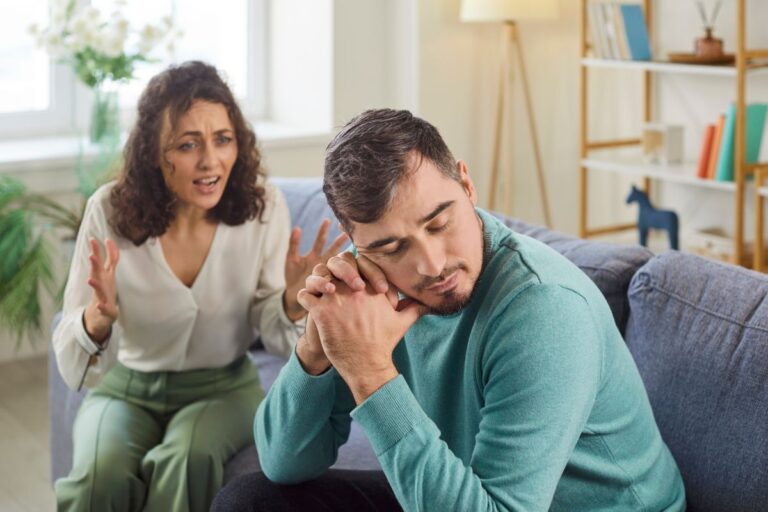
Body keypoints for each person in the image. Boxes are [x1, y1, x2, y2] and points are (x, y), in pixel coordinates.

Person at [213, 108, 687, 511]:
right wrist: (317, 349)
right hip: (464, 493)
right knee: (250, 502)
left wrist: (371, 374)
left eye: (439, 223)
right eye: (392, 247)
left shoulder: (544, 308)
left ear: (467, 184)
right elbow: (284, 464)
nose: (432, 265)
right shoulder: (368, 291)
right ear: (357, 245)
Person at [52, 61, 346, 512]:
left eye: (222, 139)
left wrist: (290, 301)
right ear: (154, 152)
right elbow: (73, 337)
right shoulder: (108, 210)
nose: (210, 160)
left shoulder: (264, 208)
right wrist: (97, 319)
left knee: (186, 458)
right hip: (125, 387)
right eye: (188, 144)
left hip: (224, 389)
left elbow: (272, 332)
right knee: (98, 475)